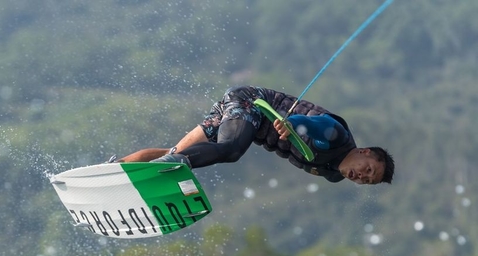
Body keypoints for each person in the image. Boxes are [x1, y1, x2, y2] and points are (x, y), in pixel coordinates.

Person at [116, 86, 394, 185]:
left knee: (175, 151)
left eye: (368, 181)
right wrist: (291, 123)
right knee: (232, 150)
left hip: (244, 119)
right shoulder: (337, 136)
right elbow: (316, 125)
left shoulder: (333, 174)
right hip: (252, 104)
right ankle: (169, 167)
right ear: (365, 151)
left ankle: (116, 168)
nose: (363, 176)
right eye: (368, 169)